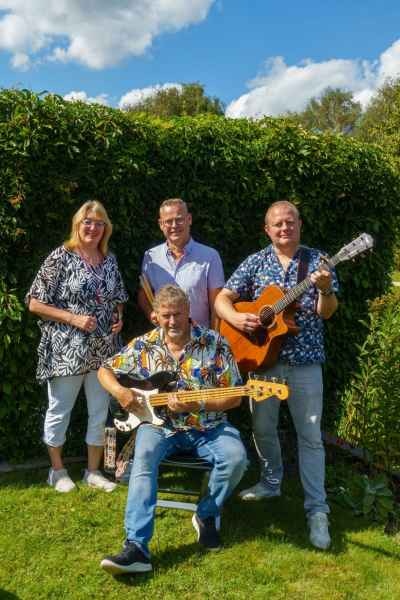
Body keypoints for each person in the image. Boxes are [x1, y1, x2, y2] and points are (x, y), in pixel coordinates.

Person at [215, 200, 338, 550]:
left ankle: (317, 510)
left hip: (305, 364)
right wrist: (236, 319)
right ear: (267, 229)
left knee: (310, 437)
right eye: (277, 224)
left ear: (299, 224)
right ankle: (271, 482)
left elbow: (327, 312)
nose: (284, 228)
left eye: (290, 222)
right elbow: (223, 298)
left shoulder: (319, 262)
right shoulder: (256, 262)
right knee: (263, 428)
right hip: (263, 363)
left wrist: (325, 289)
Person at [98, 284, 248, 574]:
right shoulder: (144, 345)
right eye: (165, 315)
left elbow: (235, 396)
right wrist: (120, 392)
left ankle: (206, 514)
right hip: (159, 427)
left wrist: (197, 403)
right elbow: (105, 370)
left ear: (188, 311)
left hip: (208, 427)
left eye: (178, 314)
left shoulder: (215, 343)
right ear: (155, 315)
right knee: (143, 459)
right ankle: (136, 548)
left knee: (236, 458)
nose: (172, 321)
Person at [27, 200, 128, 493]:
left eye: (99, 223)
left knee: (99, 412)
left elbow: (119, 297)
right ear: (77, 224)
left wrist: (119, 317)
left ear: (105, 228)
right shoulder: (61, 257)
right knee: (60, 410)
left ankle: (92, 472)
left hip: (103, 351)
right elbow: (34, 302)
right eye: (88, 222)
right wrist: (73, 318)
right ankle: (57, 471)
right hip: (66, 351)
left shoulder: (109, 259)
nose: (93, 228)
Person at [138, 198, 224, 329]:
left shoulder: (210, 256)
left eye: (179, 220)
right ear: (161, 224)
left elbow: (217, 305)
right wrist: (151, 313)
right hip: (164, 337)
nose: (174, 225)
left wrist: (213, 338)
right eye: (168, 221)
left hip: (198, 337)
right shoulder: (151, 257)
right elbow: (144, 294)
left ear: (189, 219)